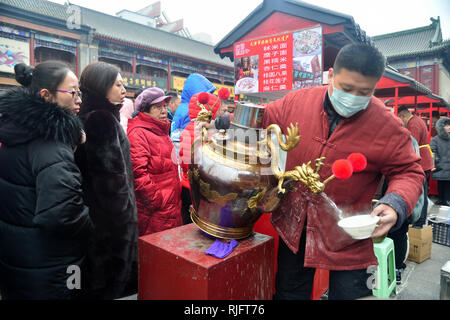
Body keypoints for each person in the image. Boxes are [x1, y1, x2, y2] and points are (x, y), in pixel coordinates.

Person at [262, 43, 424, 300]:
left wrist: (395, 204)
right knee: (289, 292)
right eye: (346, 88)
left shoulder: (386, 125)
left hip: (349, 232)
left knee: (350, 294)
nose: (353, 98)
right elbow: (263, 119)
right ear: (330, 76)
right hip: (295, 224)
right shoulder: (297, 101)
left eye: (364, 92)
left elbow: (409, 171)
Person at [0, 61, 92, 299]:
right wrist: (90, 225)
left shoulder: (17, 132)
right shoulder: (52, 146)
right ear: (46, 95)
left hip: (19, 256)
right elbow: (62, 215)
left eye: (79, 92)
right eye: (72, 92)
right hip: (57, 263)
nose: (79, 99)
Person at [75, 61, 138, 300]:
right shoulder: (101, 120)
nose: (124, 89)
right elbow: (111, 185)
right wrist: (126, 225)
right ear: (102, 87)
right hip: (111, 228)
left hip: (97, 220)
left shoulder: (93, 116)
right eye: (118, 84)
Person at [127, 87, 182, 236]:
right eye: (157, 107)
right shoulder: (139, 133)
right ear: (145, 110)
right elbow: (138, 174)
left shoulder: (161, 130)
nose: (164, 111)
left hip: (170, 205)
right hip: (155, 210)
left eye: (164, 106)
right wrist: (157, 201)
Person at [178, 92, 223, 224]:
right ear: (210, 111)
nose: (221, 113)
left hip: (188, 184)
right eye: (220, 110)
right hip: (198, 187)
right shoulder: (203, 133)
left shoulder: (189, 128)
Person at [397, 106, 434, 227]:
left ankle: (419, 221)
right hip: (424, 161)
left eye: (400, 118)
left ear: (403, 116)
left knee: (420, 192)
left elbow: (410, 143)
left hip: (421, 162)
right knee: (422, 191)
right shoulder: (416, 120)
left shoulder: (413, 124)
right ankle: (420, 219)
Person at [430, 117, 450, 206]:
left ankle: (445, 200)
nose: (449, 127)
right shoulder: (436, 139)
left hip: (445, 167)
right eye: (446, 125)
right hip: (440, 167)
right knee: (441, 184)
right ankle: (442, 199)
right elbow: (432, 151)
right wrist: (435, 163)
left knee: (447, 185)